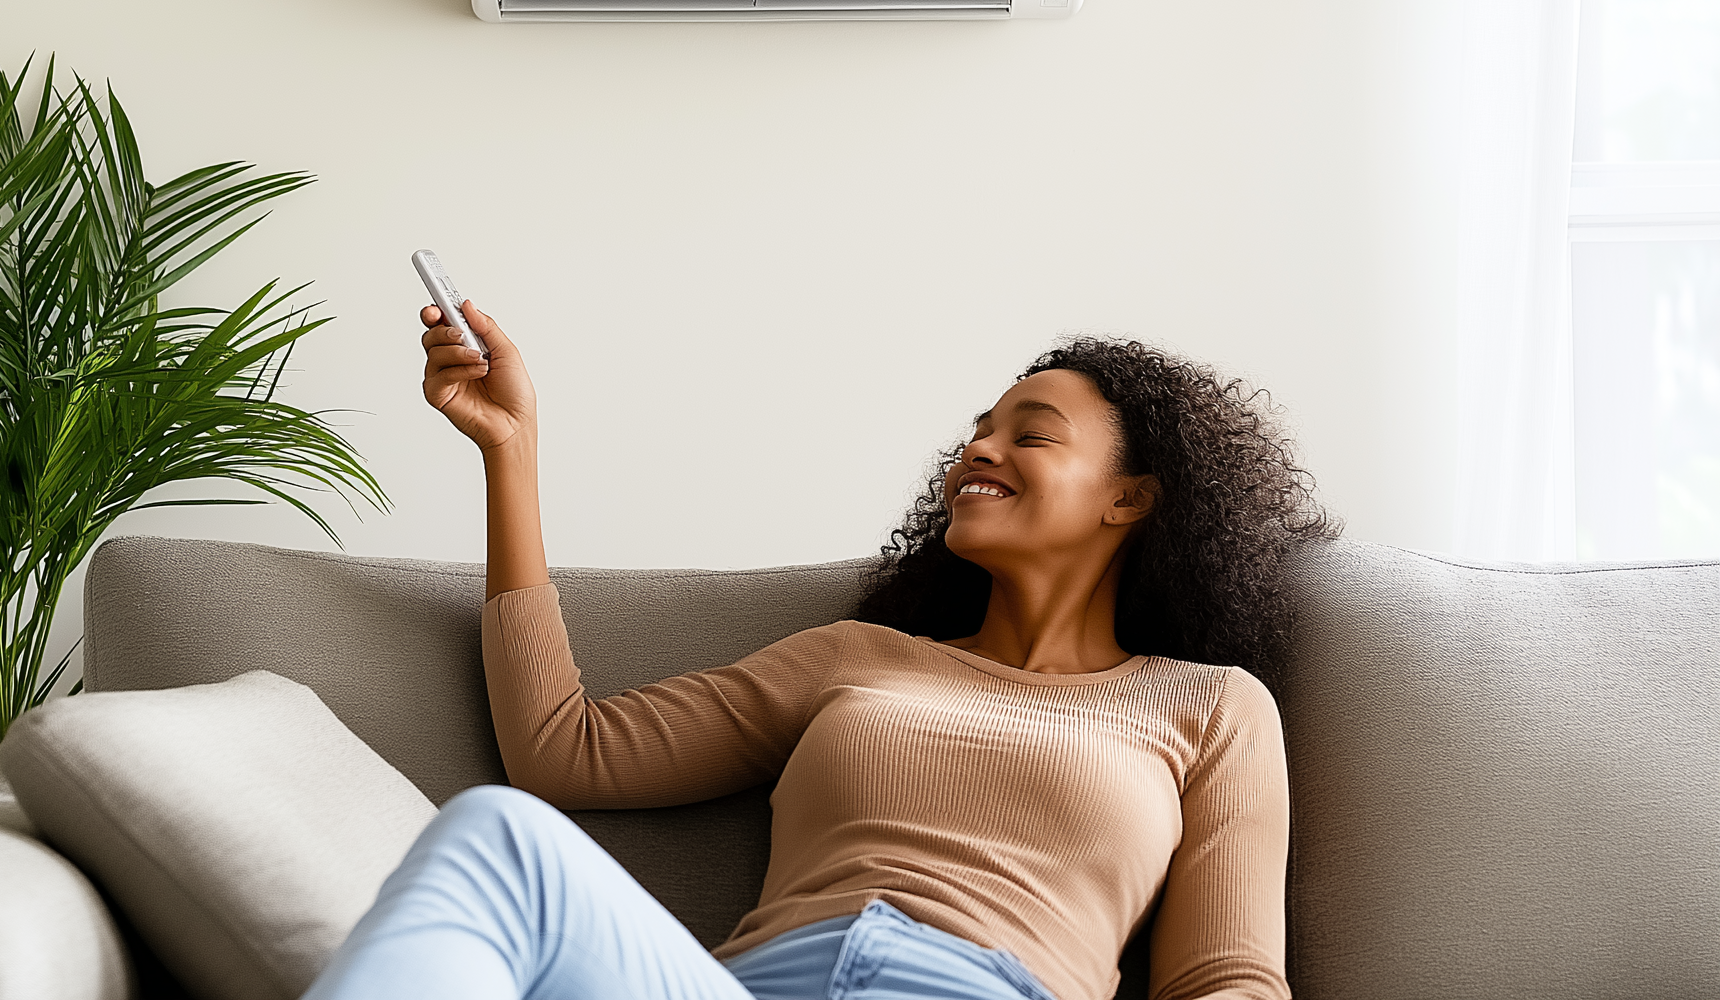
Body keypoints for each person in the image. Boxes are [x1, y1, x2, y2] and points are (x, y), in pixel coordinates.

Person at [306, 300, 1334, 1000]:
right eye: (977, 429)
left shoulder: (1208, 706)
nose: (977, 446)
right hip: (744, 981)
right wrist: (509, 452)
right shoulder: (856, 657)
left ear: (1130, 495)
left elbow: (1225, 979)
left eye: (1030, 433)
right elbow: (560, 749)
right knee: (498, 835)